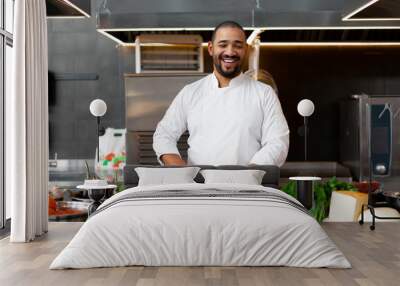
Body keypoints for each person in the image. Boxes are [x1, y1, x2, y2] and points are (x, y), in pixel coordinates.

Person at [153, 21, 289, 166]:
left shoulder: (264, 93)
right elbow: (164, 134)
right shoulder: (191, 92)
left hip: (247, 185)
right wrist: (180, 170)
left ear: (246, 50)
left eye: (237, 45)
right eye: (223, 45)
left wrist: (249, 174)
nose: (230, 52)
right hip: (198, 186)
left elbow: (277, 142)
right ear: (211, 48)